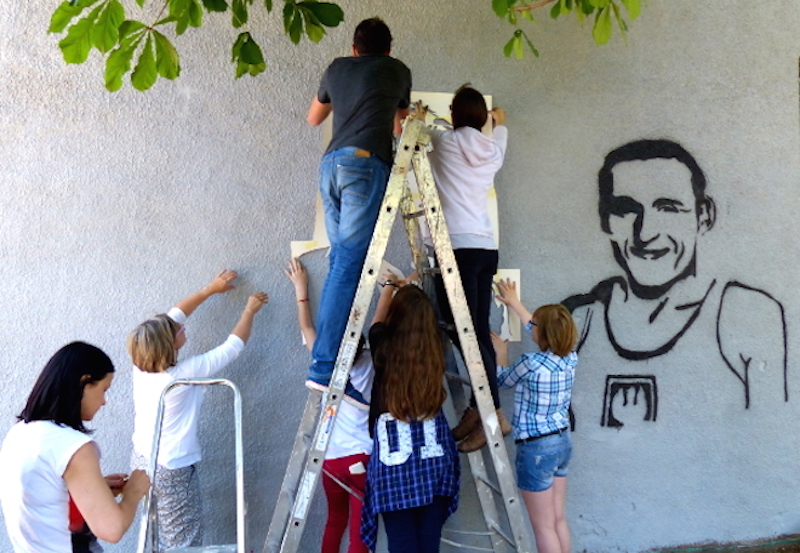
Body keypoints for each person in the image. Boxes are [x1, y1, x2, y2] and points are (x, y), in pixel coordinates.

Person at [305, 17, 412, 409]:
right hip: (365, 167)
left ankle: (332, 364)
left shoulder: (337, 68)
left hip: (331, 167)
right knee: (349, 265)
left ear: (354, 48)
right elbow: (401, 128)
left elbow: (313, 118)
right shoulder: (397, 70)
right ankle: (324, 369)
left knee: (341, 263)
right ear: (388, 49)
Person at [127, 270, 268, 550]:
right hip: (172, 468)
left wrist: (210, 290)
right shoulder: (182, 375)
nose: (182, 327)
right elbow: (231, 348)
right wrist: (249, 311)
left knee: (153, 536)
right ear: (168, 344)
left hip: (142, 460)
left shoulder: (141, 366)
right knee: (182, 542)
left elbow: (174, 315)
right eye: (178, 331)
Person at [423, 84, 510, 452]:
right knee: (473, 329)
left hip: (455, 248)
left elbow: (415, 132)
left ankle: (493, 414)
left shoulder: (443, 142)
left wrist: (418, 116)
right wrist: (496, 121)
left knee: (464, 330)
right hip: (485, 248)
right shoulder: (494, 147)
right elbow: (501, 124)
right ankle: (480, 406)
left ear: (455, 115)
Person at [0, 342, 151, 553]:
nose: (104, 402)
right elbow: (111, 530)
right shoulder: (74, 447)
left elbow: (42, 498)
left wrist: (97, 488)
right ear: (84, 382)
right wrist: (134, 492)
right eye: (103, 390)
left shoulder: (20, 433)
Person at [360, 272, 460, 553]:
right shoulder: (436, 353)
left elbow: (376, 324)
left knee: (402, 546)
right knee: (429, 546)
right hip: (434, 468)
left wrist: (390, 287)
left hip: (393, 474)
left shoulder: (383, 349)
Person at [285, 257, 373, 553]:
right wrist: (391, 289)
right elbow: (377, 328)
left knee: (335, 520)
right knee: (362, 526)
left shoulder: (324, 364)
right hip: (360, 456)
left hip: (329, 458)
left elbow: (307, 325)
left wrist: (301, 289)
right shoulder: (371, 365)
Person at [493, 281, 578, 553]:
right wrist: (515, 303)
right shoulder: (570, 359)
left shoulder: (530, 363)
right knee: (557, 519)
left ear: (544, 333)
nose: (532, 328)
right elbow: (539, 327)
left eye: (536, 326)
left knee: (542, 527)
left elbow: (503, 380)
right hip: (562, 442)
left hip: (536, 449)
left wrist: (501, 354)